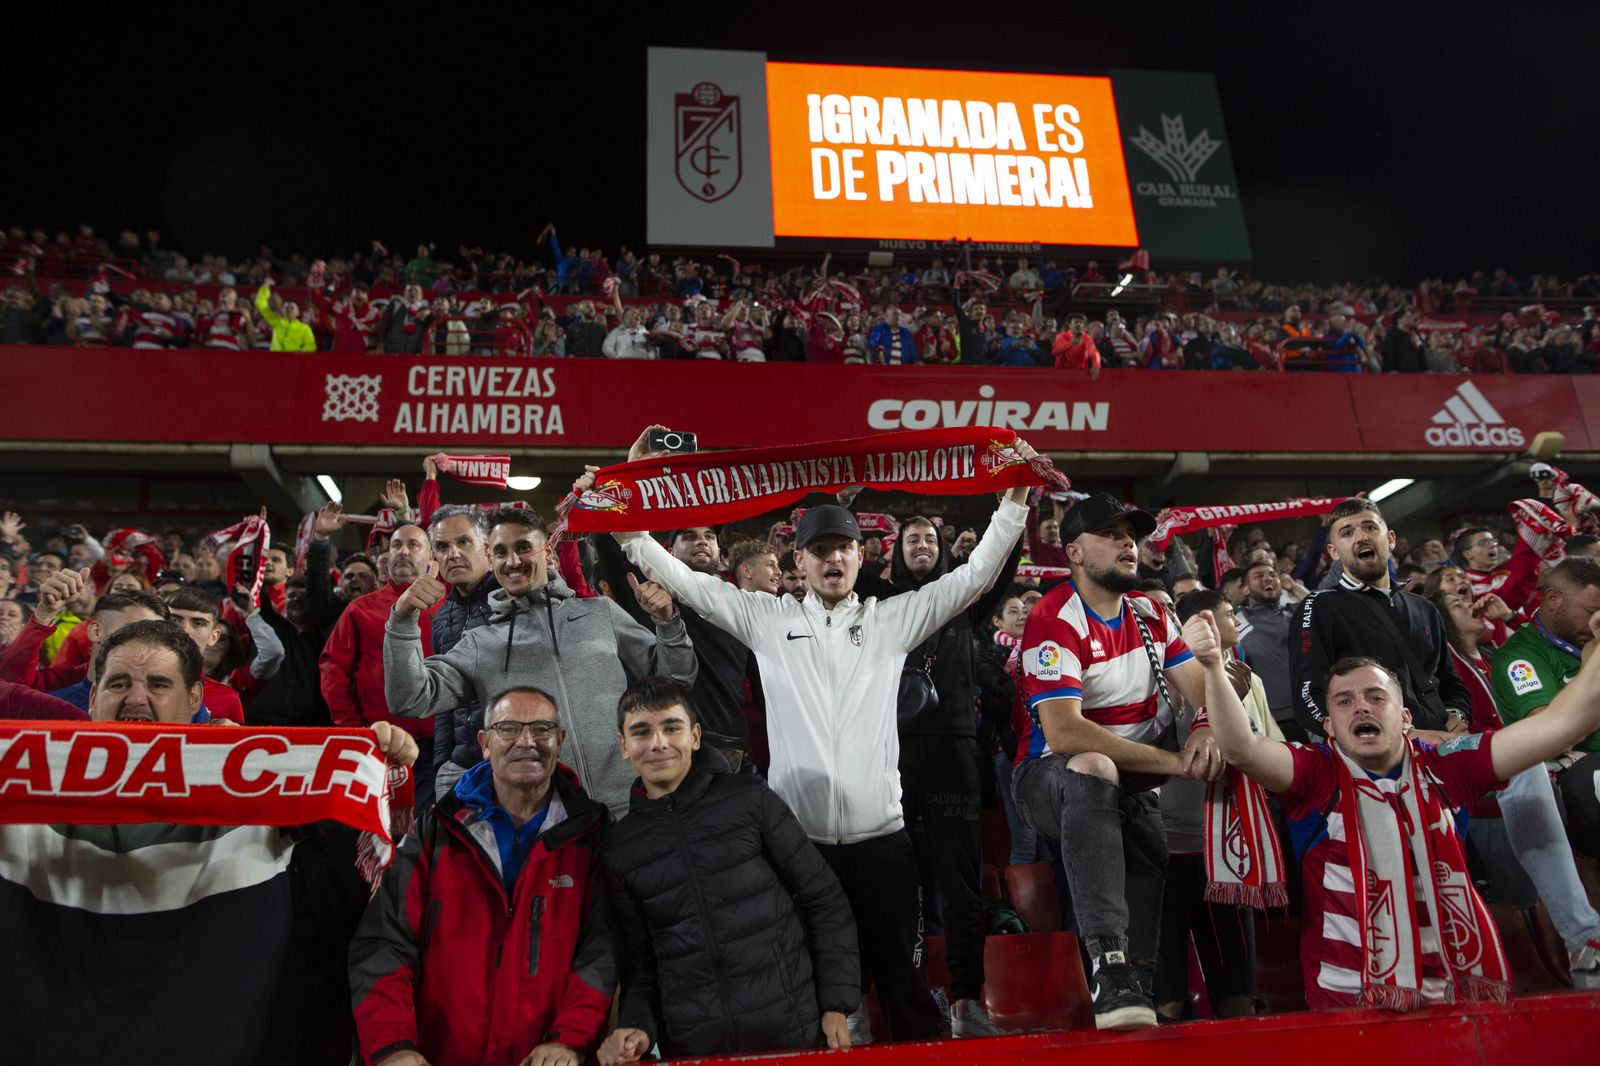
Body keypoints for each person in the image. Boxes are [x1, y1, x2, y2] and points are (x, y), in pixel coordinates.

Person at [613, 425, 1035, 1044]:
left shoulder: (892, 621)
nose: (834, 558)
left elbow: (971, 579)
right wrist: (633, 503)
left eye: (845, 548)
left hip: (884, 840)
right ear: (799, 562)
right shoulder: (764, 619)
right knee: (814, 991)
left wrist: (1014, 503)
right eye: (821, 550)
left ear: (861, 557)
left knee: (903, 984)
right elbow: (684, 579)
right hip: (799, 845)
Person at [1, 619, 419, 1064]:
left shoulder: (262, 782)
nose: (136, 699)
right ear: (91, 696)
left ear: (195, 697)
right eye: (118, 683)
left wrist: (374, 764)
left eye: (158, 684)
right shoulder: (24, 786)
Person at [1196, 619, 1600, 1010]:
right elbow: (1241, 749)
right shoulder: (1313, 773)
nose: (1360, 709)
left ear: (1405, 718)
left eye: (1376, 697)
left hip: (1452, 995)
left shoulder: (1449, 765)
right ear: (1329, 727)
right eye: (1344, 701)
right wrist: (1214, 667)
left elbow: (1562, 724)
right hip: (1346, 1002)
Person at [1010, 492, 1222, 1031]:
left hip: (1134, 782)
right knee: (1092, 769)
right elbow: (1063, 733)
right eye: (1111, 533)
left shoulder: (1151, 611)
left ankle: (1131, 985)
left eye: (1132, 533)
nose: (1129, 542)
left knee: (1146, 853)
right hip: (1048, 778)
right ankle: (1107, 962)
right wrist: (1175, 763)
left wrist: (1202, 726)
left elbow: (1202, 690)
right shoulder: (1051, 614)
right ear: (1075, 551)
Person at [350, 687, 615, 1066]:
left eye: (541, 729)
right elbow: (384, 945)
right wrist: (393, 1047)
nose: (526, 741)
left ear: (560, 740)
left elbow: (600, 954)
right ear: (485, 742)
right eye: (508, 728)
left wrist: (569, 1039)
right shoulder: (433, 831)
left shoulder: (593, 834)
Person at [596, 678, 858, 1061]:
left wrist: (837, 1001)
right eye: (641, 732)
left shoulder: (751, 799)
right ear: (623, 746)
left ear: (696, 736)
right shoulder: (620, 847)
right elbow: (642, 964)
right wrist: (638, 1025)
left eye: (672, 727)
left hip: (792, 1032)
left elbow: (826, 900)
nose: (658, 743)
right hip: (693, 1046)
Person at [383, 506, 697, 815]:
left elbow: (676, 680)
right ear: (491, 561)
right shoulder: (481, 643)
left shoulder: (600, 613)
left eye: (523, 548)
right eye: (501, 552)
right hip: (549, 823)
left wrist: (668, 622)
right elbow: (410, 698)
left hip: (631, 809)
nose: (513, 561)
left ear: (547, 554)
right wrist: (403, 618)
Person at [850, 506, 1021, 1037]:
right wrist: (844, 501)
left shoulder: (963, 595)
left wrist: (1013, 499)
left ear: (942, 546)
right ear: (895, 549)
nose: (920, 545)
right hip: (889, 752)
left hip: (952, 755)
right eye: (910, 538)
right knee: (882, 885)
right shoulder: (877, 598)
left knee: (962, 887)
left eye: (929, 538)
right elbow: (838, 562)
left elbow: (1003, 563)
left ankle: (967, 1003)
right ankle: (862, 1005)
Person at [1156, 590, 1280, 1021]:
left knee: (1238, 999)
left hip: (1220, 854)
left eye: (1167, 612)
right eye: (1149, 614)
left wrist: (1219, 695)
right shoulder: (1126, 688)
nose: (1161, 622)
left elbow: (1251, 744)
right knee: (1164, 1005)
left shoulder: (1228, 678)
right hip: (1156, 857)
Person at [1290, 499, 1470, 743]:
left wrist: (1458, 714)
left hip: (1443, 744)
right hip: (1376, 757)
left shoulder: (1424, 608)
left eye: (1370, 527)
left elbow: (1451, 684)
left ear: (1391, 539)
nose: (1361, 537)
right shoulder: (1319, 606)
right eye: (1347, 533)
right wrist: (1387, 737)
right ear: (1333, 552)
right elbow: (1308, 696)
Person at [322, 523, 440, 806]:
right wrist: (355, 730)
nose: (403, 551)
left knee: (423, 838)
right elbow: (333, 669)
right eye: (396, 545)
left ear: (431, 556)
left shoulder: (450, 606)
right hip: (379, 746)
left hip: (440, 750)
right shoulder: (360, 608)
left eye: (413, 545)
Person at [1491, 557, 1600, 862]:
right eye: (1591, 612)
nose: (1597, 622)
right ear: (1553, 599)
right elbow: (1552, 736)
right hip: (1576, 782)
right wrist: (1593, 660)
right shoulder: (1521, 657)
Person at [425, 504, 500, 799]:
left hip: (508, 762)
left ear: (486, 548)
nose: (452, 553)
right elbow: (443, 703)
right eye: (442, 547)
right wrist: (443, 761)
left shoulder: (515, 603)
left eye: (463, 542)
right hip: (457, 768)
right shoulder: (441, 617)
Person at [1236, 559, 1304, 741]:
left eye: (1273, 575)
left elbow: (1324, 609)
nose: (1268, 579)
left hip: (1317, 709)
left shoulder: (1296, 611)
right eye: (1259, 576)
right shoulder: (1238, 622)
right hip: (1279, 718)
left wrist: (1295, 588)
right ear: (1245, 589)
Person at [255, 280, 317, 351]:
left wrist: (300, 353)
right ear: (282, 310)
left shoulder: (305, 328)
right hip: (275, 359)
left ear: (298, 312)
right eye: (286, 307)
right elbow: (261, 304)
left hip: (294, 360)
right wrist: (265, 287)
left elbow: (311, 345)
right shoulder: (276, 321)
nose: (289, 309)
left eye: (292, 308)